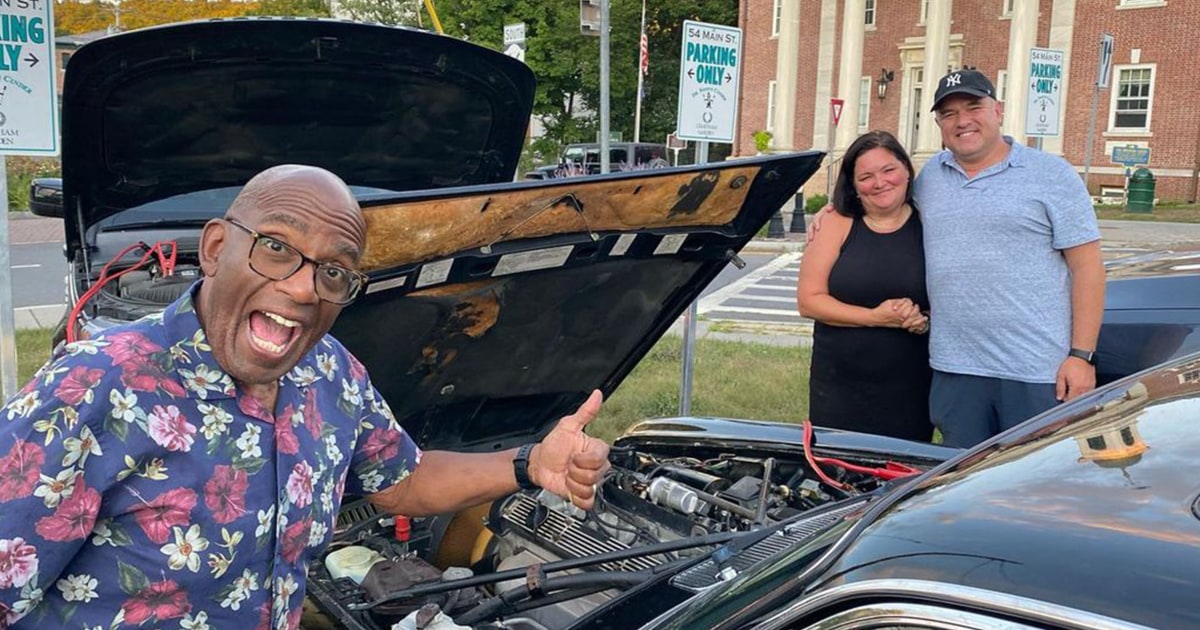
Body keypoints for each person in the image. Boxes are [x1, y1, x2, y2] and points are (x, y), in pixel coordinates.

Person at [0, 165, 611, 629]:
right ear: (216, 249)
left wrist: (527, 464)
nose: (300, 288)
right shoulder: (94, 384)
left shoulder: (331, 375)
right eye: (276, 247)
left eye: (334, 271)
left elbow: (403, 478)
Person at [813, 69, 1105, 447]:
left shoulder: (1052, 175)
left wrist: (1081, 356)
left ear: (997, 110)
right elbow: (882, 194)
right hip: (955, 371)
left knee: (1032, 491)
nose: (962, 121)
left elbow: (1088, 269)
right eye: (948, 114)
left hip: (1037, 370)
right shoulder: (931, 177)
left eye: (973, 106)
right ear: (938, 124)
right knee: (959, 490)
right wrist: (835, 210)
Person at [797, 130, 933, 441]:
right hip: (840, 384)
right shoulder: (836, 223)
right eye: (866, 176)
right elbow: (809, 300)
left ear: (907, 172)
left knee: (905, 476)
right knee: (839, 475)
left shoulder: (931, 223)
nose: (880, 182)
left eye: (889, 170)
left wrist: (920, 319)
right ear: (854, 186)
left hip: (910, 383)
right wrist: (876, 317)